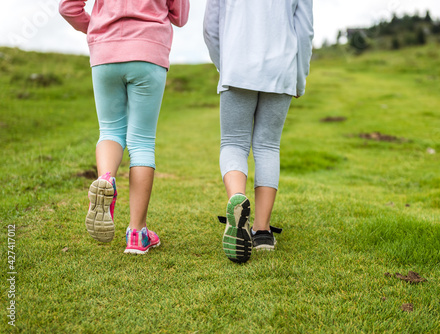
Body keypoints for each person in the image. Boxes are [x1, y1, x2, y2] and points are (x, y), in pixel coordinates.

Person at [59, 0, 190, 254]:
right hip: (149, 50)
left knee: (109, 131)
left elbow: (67, 7)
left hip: (105, 51)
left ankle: (106, 178)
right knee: (141, 141)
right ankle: (136, 234)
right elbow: (180, 16)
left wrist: (97, 28)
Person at [203, 0, 314, 263]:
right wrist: (300, 78)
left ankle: (237, 202)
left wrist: (225, 65)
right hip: (281, 69)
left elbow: (210, 27)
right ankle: (262, 232)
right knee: (268, 146)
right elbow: (305, 31)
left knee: (233, 144)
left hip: (237, 65)